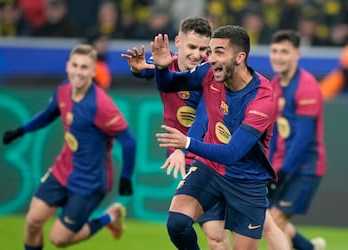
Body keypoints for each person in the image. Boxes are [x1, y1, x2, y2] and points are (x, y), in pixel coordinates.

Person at [152, 25, 278, 249]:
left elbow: (233, 153)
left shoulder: (262, 98)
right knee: (177, 223)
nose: (210, 58)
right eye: (210, 51)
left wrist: (187, 143)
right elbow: (169, 84)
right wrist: (162, 68)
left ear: (240, 57)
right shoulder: (208, 73)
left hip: (247, 181)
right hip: (209, 168)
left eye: (219, 52)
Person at [2, 44, 136, 250]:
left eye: (84, 67)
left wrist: (125, 178)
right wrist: (21, 130)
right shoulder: (63, 90)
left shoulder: (101, 105)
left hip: (89, 182)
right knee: (32, 222)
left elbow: (129, 141)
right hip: (63, 169)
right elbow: (48, 114)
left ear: (93, 71)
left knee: (59, 239)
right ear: (67, 66)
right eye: (75, 65)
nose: (78, 72)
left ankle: (109, 217)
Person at [122, 16, 230, 250]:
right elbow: (153, 73)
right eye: (192, 47)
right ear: (178, 42)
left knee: (214, 235)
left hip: (205, 152)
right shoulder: (166, 64)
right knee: (200, 230)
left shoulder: (210, 75)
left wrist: (182, 148)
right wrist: (136, 69)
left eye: (204, 49)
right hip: (184, 152)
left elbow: (202, 120)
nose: (198, 54)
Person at [268, 30, 327, 250]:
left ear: (297, 55)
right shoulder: (274, 84)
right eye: (275, 51)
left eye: (285, 51)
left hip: (303, 166)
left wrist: (282, 173)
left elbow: (303, 138)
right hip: (282, 165)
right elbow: (273, 131)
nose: (278, 56)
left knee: (274, 223)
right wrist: (270, 166)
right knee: (269, 219)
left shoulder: (307, 86)